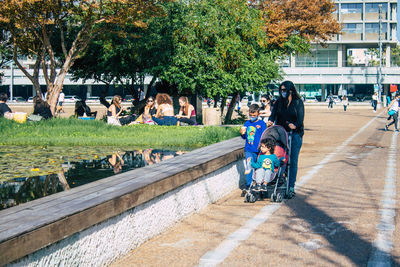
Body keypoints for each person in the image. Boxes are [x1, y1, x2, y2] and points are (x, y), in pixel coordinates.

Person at [267, 80, 304, 198]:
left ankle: (291, 185)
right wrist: (270, 121)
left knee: (292, 160)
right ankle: (280, 179)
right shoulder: (279, 102)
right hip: (281, 133)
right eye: (281, 90)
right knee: (281, 158)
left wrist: (295, 125)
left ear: (290, 91)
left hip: (294, 134)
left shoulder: (297, 102)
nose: (282, 92)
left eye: (284, 90)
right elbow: (273, 114)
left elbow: (300, 118)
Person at [240, 104, 267, 194]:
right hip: (248, 149)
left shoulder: (261, 124)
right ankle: (249, 185)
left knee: (259, 168)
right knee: (249, 166)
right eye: (250, 115)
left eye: (254, 115)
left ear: (258, 114)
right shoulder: (247, 123)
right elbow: (244, 137)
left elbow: (264, 136)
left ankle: (260, 184)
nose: (252, 117)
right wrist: (242, 133)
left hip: (259, 150)